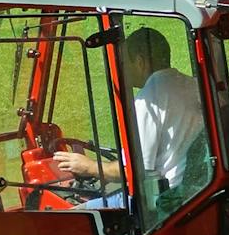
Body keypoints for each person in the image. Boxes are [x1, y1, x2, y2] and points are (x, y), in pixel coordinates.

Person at [51, 25, 205, 209]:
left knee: (76, 215)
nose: (122, 70)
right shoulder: (195, 86)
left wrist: (89, 167)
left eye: (125, 63)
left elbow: (135, 171)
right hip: (194, 191)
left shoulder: (149, 99)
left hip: (164, 201)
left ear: (140, 62)